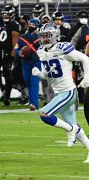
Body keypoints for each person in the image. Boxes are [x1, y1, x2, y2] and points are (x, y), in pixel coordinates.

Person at [32, 23, 89, 162]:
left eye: (48, 35)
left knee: (45, 115)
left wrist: (87, 77)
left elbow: (85, 58)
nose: (45, 38)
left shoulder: (63, 48)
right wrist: (39, 74)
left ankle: (68, 129)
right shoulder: (41, 51)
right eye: (43, 36)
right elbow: (48, 74)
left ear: (55, 35)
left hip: (68, 92)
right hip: (59, 92)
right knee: (76, 126)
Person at [17, 19, 41, 111]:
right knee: (28, 83)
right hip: (25, 63)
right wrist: (19, 53)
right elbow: (17, 49)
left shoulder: (40, 37)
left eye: (33, 24)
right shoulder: (23, 37)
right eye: (30, 24)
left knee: (34, 83)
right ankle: (33, 103)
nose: (31, 26)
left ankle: (34, 104)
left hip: (36, 62)